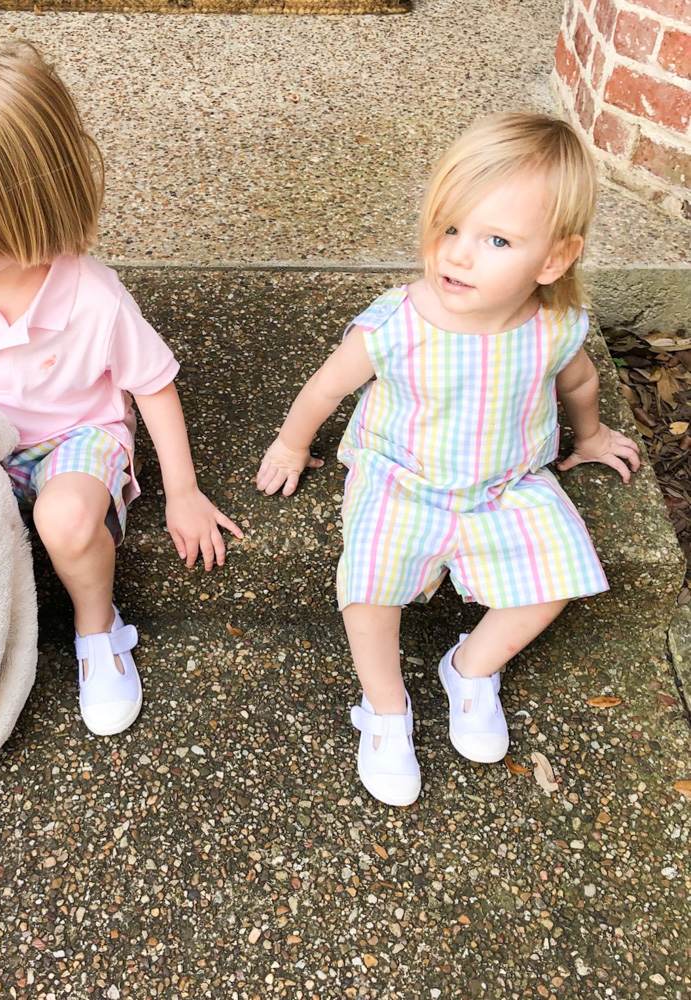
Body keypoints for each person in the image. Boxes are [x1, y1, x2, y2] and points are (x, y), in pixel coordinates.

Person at [256, 112, 640, 806]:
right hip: (400, 480)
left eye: (495, 239)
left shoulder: (553, 326)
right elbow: (326, 386)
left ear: (552, 260)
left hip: (505, 485)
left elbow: (577, 381)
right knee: (367, 590)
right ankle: (384, 709)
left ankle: (468, 667)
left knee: (553, 579)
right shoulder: (398, 324)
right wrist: (291, 441)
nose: (457, 255)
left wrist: (587, 436)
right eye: (448, 228)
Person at [0, 46, 242, 738]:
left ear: (23, 207)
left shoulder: (91, 297)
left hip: (78, 435)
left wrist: (183, 492)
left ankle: (97, 627)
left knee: (67, 521)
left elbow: (152, 385)